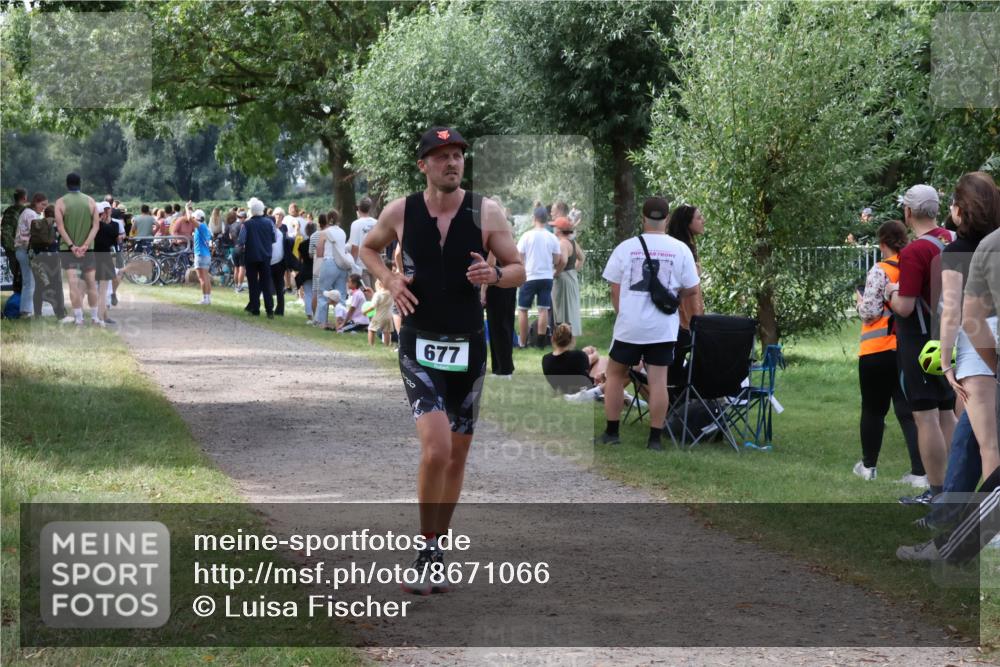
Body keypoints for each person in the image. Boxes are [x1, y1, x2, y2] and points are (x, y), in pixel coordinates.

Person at [358, 126, 525, 594]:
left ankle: (435, 548)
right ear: (424, 165)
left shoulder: (485, 211)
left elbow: (518, 270)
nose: (452, 163)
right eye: (442, 156)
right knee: (437, 448)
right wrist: (391, 282)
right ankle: (425, 547)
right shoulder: (401, 211)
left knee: (456, 457)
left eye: (457, 155)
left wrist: (494, 273)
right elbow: (367, 249)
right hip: (419, 341)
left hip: (470, 345)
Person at [596, 196, 702, 451]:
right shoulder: (680, 249)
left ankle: (612, 432)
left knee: (614, 375)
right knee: (657, 381)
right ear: (666, 218)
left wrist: (625, 313)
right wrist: (675, 297)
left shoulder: (626, 247)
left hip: (629, 326)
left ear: (643, 218)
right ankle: (655, 438)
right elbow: (693, 288)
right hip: (662, 326)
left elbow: (615, 289)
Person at [885, 184, 957, 504]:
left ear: (908, 212)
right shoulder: (953, 239)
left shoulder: (915, 251)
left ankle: (938, 491)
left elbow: (905, 306)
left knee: (925, 415)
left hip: (921, 342)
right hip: (951, 338)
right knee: (946, 411)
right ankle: (957, 487)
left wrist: (889, 292)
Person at [853, 220, 924, 484]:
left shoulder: (879, 270)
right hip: (905, 348)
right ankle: (920, 472)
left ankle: (868, 466)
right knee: (907, 411)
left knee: (873, 410)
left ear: (883, 243)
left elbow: (871, 312)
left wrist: (860, 303)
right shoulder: (913, 267)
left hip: (876, 350)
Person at [941, 173, 1000, 477]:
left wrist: (944, 361)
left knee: (989, 448)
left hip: (976, 348)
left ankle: (991, 524)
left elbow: (953, 311)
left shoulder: (955, 252)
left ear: (961, 209)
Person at [54, 173, 100, 327]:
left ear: (66, 184)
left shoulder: (60, 202)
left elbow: (60, 227)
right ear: (80, 183)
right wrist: (86, 245)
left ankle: (79, 319)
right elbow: (96, 226)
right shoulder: (91, 201)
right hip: (88, 250)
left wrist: (72, 246)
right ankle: (95, 318)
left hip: (68, 250)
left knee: (73, 284)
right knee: (91, 284)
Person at [516, 205, 564, 348]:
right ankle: (540, 344)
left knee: (523, 310)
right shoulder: (552, 237)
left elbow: (519, 257)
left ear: (534, 218)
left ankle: (523, 343)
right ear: (546, 219)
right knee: (543, 309)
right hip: (546, 277)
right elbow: (557, 259)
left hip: (529, 276)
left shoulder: (526, 236)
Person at [237, 197, 276, 319]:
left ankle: (255, 308)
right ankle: (269, 310)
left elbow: (241, 240)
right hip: (266, 256)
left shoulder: (247, 224)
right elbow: (274, 238)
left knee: (253, 284)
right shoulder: (269, 222)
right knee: (266, 283)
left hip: (252, 256)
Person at [28, 203, 66, 319]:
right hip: (52, 259)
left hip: (37, 259)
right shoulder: (55, 225)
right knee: (57, 286)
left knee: (39, 287)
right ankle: (60, 314)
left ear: (45, 213)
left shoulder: (37, 224)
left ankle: (38, 314)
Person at [14, 192, 48, 318]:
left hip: (22, 250)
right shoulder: (31, 214)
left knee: (30, 281)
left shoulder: (28, 212)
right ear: (36, 202)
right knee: (30, 282)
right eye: (42, 204)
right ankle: (26, 311)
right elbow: (36, 233)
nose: (44, 207)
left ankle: (28, 309)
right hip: (25, 250)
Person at [314, 211, 349, 330]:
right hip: (341, 264)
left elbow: (319, 251)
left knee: (323, 293)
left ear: (327, 219)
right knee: (341, 295)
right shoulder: (343, 232)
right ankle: (342, 323)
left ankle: (323, 322)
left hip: (328, 262)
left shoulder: (325, 232)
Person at [552, 216, 585, 336]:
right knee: (571, 308)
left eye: (555, 227)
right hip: (571, 277)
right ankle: (570, 336)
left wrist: (556, 273)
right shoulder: (573, 242)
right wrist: (573, 270)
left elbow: (564, 261)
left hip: (563, 279)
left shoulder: (562, 243)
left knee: (562, 309)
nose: (553, 229)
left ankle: (564, 337)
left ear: (559, 230)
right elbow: (582, 258)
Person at [542, 323, 596, 395]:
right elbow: (592, 359)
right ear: (571, 339)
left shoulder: (545, 359)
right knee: (602, 361)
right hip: (584, 390)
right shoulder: (578, 355)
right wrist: (594, 352)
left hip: (563, 391)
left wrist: (585, 351)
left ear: (553, 339)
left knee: (587, 353)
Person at [92, 202, 120, 325]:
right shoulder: (109, 228)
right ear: (103, 213)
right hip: (104, 258)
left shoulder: (89, 227)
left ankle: (85, 316)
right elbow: (115, 241)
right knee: (103, 291)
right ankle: (100, 317)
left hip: (90, 257)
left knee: (89, 288)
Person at [2, 187, 28, 293]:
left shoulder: (8, 210)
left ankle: (16, 301)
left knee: (16, 276)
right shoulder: (25, 211)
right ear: (24, 198)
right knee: (24, 277)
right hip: (21, 248)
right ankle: (23, 304)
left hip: (9, 248)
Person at [348, 196, 378, 284]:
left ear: (359, 208)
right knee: (376, 293)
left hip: (361, 265)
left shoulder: (355, 224)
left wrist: (352, 266)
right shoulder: (376, 223)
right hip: (375, 264)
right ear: (370, 208)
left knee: (366, 293)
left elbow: (354, 248)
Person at [192, 209, 213, 305]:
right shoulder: (205, 227)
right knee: (206, 277)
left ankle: (205, 298)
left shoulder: (201, 227)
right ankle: (208, 298)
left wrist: (187, 208)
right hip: (206, 255)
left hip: (200, 254)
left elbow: (189, 219)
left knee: (202, 278)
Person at [298, 221, 316, 323]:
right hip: (316, 270)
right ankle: (317, 314)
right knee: (316, 293)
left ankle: (309, 316)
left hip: (305, 270)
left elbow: (300, 260)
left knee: (308, 293)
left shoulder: (302, 244)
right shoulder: (319, 243)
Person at [367, 278, 393, 346]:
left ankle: (371, 345)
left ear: (379, 284)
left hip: (378, 316)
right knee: (386, 331)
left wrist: (366, 312)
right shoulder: (391, 293)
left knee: (371, 329)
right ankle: (386, 345)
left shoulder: (377, 294)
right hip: (388, 316)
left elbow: (373, 306)